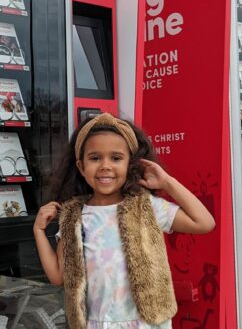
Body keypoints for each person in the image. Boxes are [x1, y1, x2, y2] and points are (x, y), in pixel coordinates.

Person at [33, 113, 215, 329]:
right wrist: (38, 231)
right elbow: (57, 276)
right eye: (95, 158)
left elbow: (204, 222)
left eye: (116, 158)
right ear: (81, 167)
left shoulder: (146, 207)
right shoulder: (74, 217)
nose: (105, 166)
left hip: (146, 323)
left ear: (130, 164)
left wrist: (168, 182)